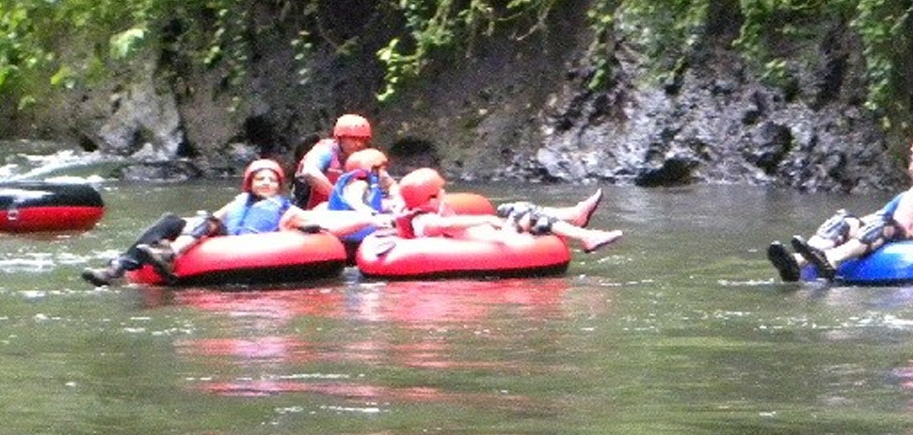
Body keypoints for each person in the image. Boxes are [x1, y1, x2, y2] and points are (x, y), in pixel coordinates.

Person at [81, 159, 393, 287]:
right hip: (224, 242)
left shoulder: (286, 208)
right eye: (260, 179)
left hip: (260, 249)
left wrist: (371, 220)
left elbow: (327, 222)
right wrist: (184, 228)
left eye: (272, 179)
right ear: (250, 183)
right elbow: (212, 221)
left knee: (202, 222)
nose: (267, 183)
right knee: (175, 219)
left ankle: (170, 255)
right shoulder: (237, 203)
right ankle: (119, 267)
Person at [766, 134, 913, 282]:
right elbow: (875, 218)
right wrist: (849, 225)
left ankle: (832, 259)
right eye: (911, 161)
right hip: (896, 243)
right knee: (844, 220)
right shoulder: (908, 195)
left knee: (884, 225)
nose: (911, 168)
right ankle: (798, 261)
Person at [393, 168, 622, 253]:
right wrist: (487, 219)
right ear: (429, 197)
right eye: (440, 190)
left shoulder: (426, 208)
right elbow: (444, 225)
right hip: (495, 241)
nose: (444, 193)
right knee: (526, 215)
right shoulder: (422, 221)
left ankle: (575, 214)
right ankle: (587, 237)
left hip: (494, 236)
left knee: (520, 208)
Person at [295, 114, 374, 209]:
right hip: (310, 215)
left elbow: (383, 181)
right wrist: (338, 198)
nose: (359, 144)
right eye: (353, 139)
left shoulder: (364, 157)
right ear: (339, 139)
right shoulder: (325, 151)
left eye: (363, 140)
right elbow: (309, 171)